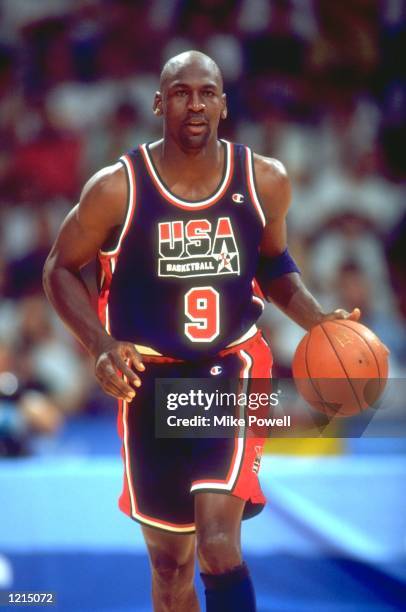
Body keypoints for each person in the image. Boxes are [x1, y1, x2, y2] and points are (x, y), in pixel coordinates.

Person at [43, 51, 360, 612]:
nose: (195, 104)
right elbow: (60, 268)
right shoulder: (118, 186)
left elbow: (272, 262)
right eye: (182, 92)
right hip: (148, 381)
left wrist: (317, 321)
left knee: (217, 545)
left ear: (223, 103)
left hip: (231, 371)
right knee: (171, 567)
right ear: (159, 103)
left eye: (207, 92)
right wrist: (99, 344)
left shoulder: (264, 180)